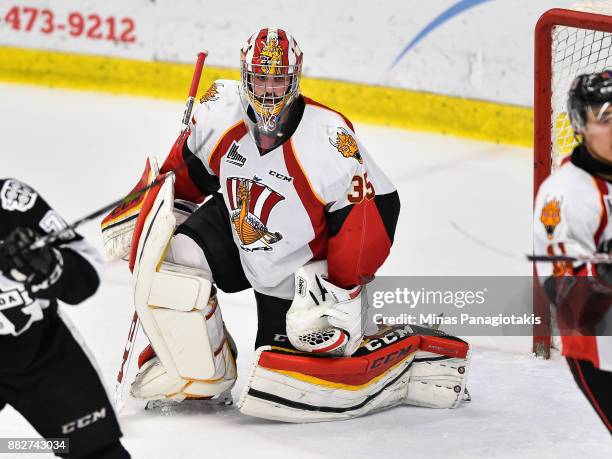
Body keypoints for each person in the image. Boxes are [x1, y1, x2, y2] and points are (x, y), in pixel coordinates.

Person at [104, 28, 470, 422]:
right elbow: (186, 174)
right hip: (240, 229)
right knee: (174, 257)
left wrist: (342, 292)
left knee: (286, 366)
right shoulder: (220, 111)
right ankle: (202, 371)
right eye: (260, 77)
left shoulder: (327, 139)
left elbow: (372, 215)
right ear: (245, 76)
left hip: (299, 267)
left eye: (278, 78)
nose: (268, 89)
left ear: (295, 80)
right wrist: (146, 210)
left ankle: (405, 352)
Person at [0, 178, 130, 457]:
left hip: (41, 352)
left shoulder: (12, 201)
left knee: (96, 451)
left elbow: (88, 271)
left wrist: (48, 266)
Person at [534, 70, 612, 434]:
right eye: (605, 118)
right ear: (580, 125)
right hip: (601, 351)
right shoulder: (564, 195)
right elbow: (564, 293)